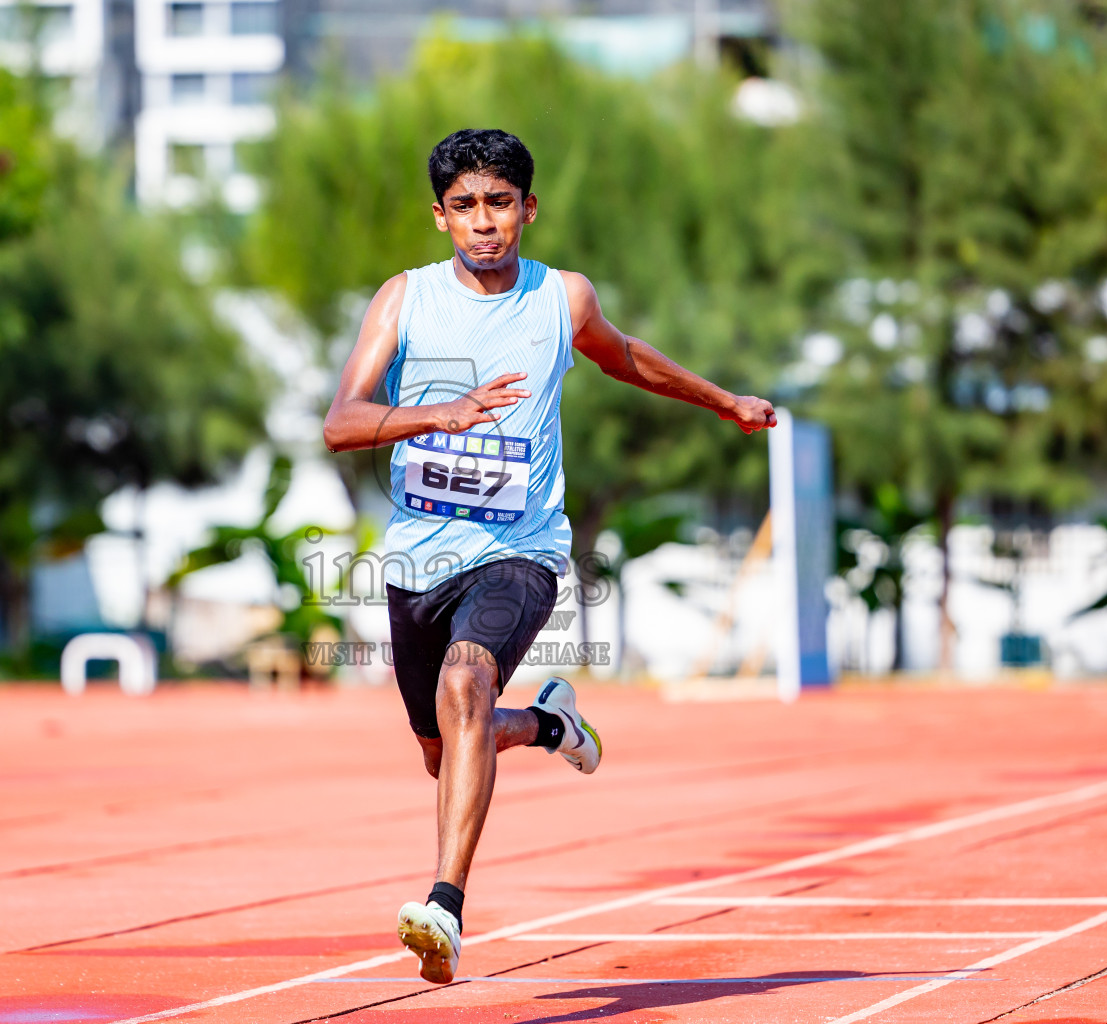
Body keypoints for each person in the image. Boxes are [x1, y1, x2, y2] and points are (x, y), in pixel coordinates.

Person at [321, 128, 776, 985]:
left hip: (520, 548)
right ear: (439, 217)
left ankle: (445, 908)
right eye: (464, 207)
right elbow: (342, 422)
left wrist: (721, 402)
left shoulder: (559, 299)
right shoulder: (403, 301)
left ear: (528, 209)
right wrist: (438, 414)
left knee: (465, 687)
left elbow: (627, 357)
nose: (483, 223)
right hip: (418, 557)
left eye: (499, 204)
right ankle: (548, 723)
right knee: (444, 749)